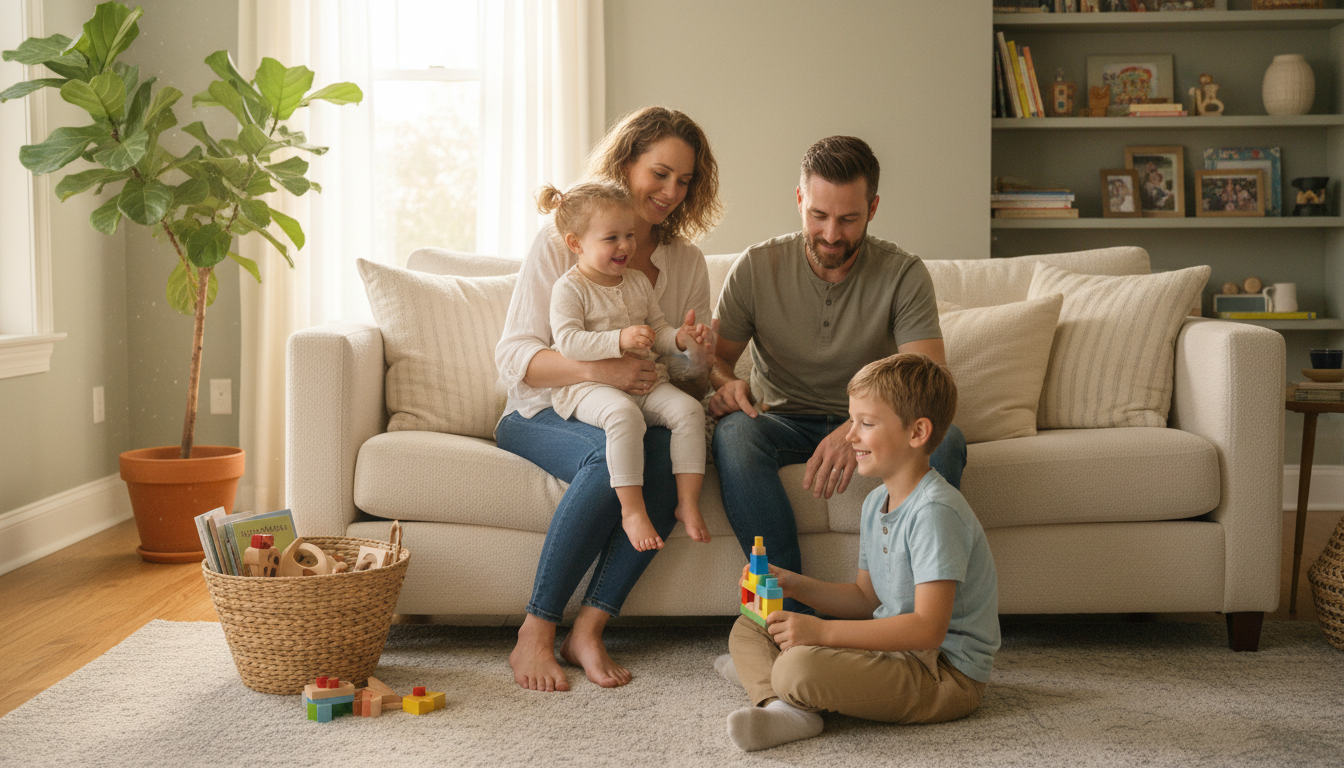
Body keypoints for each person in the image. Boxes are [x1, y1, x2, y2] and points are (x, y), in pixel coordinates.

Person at [494, 106, 722, 692]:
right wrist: (608, 369)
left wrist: (698, 358)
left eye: (685, 180)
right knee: (608, 461)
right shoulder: (561, 246)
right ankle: (536, 632)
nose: (672, 192)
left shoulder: (684, 262)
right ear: (626, 164)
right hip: (542, 409)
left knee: (666, 453)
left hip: (628, 407)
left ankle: (589, 628)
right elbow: (515, 356)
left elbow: (682, 374)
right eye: (660, 173)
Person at [709, 135, 967, 612]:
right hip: (780, 419)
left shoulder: (902, 273)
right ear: (800, 199)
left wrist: (856, 429)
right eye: (818, 216)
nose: (831, 234)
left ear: (872, 208)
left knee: (945, 441)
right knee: (733, 435)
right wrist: (727, 384)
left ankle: (913, 614)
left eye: (848, 219)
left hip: (875, 422)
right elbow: (717, 362)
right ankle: (789, 617)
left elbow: (928, 384)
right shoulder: (755, 267)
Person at [715, 353, 1000, 752]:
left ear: (917, 432)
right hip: (896, 652)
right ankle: (781, 701)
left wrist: (822, 632)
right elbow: (866, 598)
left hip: (941, 672)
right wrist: (793, 584)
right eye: (852, 421)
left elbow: (928, 629)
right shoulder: (877, 502)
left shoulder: (935, 512)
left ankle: (769, 680)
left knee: (798, 665)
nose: (849, 436)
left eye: (865, 424)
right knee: (751, 624)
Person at [540, 180, 712, 551]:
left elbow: (658, 332)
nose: (625, 246)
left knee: (689, 411)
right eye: (611, 238)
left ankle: (687, 503)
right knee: (623, 416)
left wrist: (680, 339)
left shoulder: (637, 282)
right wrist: (618, 339)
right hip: (589, 389)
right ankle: (632, 510)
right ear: (576, 243)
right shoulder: (569, 289)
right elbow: (568, 342)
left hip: (646, 382)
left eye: (629, 235)